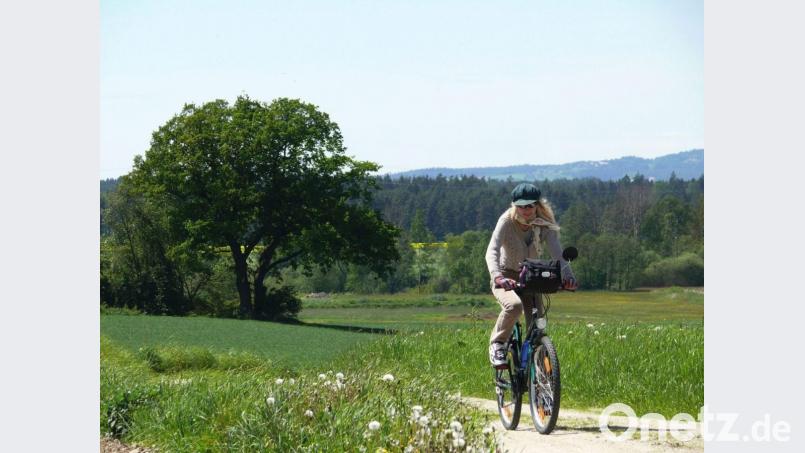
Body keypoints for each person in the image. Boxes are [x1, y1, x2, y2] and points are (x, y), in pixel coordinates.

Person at [485, 183, 578, 367]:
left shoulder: (545, 224)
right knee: (514, 305)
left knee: (537, 325)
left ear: (537, 205)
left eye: (529, 206)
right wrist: (497, 276)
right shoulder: (506, 221)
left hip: (532, 276)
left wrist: (568, 277)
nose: (525, 210)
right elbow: (492, 250)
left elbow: (557, 254)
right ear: (514, 206)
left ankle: (537, 369)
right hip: (506, 275)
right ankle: (497, 344)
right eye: (521, 206)